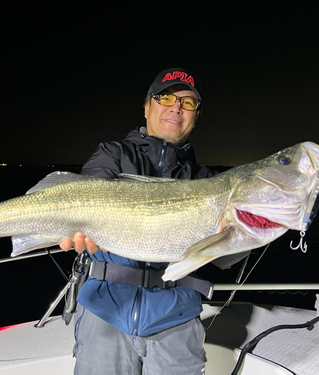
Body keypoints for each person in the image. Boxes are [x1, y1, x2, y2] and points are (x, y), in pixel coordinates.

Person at [60, 67, 217, 375]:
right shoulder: (112, 155)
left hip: (177, 319)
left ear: (195, 116)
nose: (176, 107)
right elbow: (86, 198)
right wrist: (77, 226)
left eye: (188, 103)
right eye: (166, 97)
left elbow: (228, 257)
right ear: (147, 107)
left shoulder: (205, 181)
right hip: (105, 312)